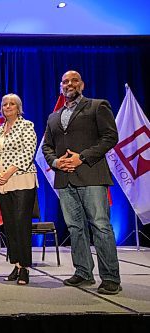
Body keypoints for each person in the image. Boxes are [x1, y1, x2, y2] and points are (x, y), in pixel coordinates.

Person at [42, 70, 121, 295]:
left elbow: (110, 137)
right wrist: (56, 162)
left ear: (82, 84)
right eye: (65, 81)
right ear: (60, 86)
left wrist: (82, 157)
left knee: (100, 226)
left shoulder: (97, 106)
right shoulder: (53, 117)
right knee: (75, 227)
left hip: (91, 175)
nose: (69, 84)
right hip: (65, 178)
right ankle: (83, 272)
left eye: (74, 80)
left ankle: (110, 277)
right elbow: (47, 146)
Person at [0, 93, 38, 285]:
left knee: (21, 223)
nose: (7, 107)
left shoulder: (27, 126)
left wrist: (8, 172)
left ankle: (25, 267)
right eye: (5, 104)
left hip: (21, 179)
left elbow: (28, 152)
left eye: (12, 104)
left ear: (19, 108)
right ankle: (16, 264)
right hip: (2, 182)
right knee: (9, 224)